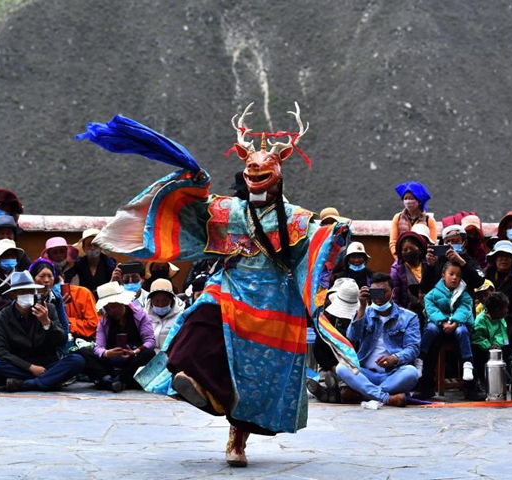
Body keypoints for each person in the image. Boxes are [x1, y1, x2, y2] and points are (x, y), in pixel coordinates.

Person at [77, 104, 356, 467]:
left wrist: (335, 232)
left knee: (255, 376)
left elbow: (316, 245)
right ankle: (192, 382)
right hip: (229, 286)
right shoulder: (229, 210)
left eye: (264, 169)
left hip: (273, 301)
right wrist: (190, 183)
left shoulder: (296, 218)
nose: (256, 172)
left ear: (278, 172)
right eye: (251, 168)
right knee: (195, 326)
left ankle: (235, 438)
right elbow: (191, 212)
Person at [0, 271, 85, 392]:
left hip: (48, 364)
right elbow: (1, 351)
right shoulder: (2, 317)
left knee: (77, 360)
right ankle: (50, 380)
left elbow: (62, 340)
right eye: (22, 291)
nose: (27, 294)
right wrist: (30, 368)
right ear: (13, 295)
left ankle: (27, 384)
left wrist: (46, 323)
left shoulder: (48, 308)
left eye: (30, 291)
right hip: (20, 365)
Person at [335, 273, 419, 407]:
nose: (379, 297)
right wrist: (362, 307)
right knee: (342, 367)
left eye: (383, 291)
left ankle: (363, 393)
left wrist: (394, 358)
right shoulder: (364, 312)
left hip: (393, 374)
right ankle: (387, 398)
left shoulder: (409, 317)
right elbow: (352, 336)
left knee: (412, 372)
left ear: (393, 292)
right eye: (375, 292)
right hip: (366, 372)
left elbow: (413, 348)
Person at [76, 282, 157, 392]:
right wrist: (107, 353)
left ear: (122, 302)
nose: (112, 312)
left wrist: (135, 352)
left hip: (132, 361)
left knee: (149, 353)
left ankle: (115, 380)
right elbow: (98, 347)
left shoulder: (141, 315)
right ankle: (111, 380)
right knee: (82, 352)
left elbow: (150, 341)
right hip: (110, 361)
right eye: (108, 309)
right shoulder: (104, 321)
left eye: (114, 307)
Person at [307, 278, 361, 403]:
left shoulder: (362, 317)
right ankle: (330, 390)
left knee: (348, 389)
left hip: (353, 366)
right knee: (327, 378)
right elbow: (318, 348)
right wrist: (332, 367)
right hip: (330, 365)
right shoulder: (325, 320)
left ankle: (330, 394)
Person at [422, 260, 475, 384]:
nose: (454, 278)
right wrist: (443, 322)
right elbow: (431, 308)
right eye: (451, 274)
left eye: (458, 275)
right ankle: (420, 359)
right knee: (430, 330)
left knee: (462, 331)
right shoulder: (434, 292)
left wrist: (455, 323)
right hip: (439, 325)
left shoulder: (464, 293)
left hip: (458, 325)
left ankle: (468, 364)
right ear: (443, 276)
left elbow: (464, 309)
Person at [421, 224, 485, 295]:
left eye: (455, 241)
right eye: (447, 242)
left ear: (464, 242)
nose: (450, 245)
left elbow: (479, 282)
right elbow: (424, 288)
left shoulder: (470, 262)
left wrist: (461, 262)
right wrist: (430, 266)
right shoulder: (437, 261)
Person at [29, 258, 71, 354]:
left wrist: (61, 352)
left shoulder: (57, 298)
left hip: (53, 341)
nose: (46, 280)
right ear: (33, 278)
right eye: (42, 276)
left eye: (50, 276)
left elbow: (64, 327)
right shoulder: (26, 297)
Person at [471, 291, 510, 393]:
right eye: (504, 308)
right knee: (478, 354)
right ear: (497, 310)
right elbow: (477, 337)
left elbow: (502, 335)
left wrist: (497, 345)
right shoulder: (481, 320)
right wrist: (488, 346)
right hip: (483, 349)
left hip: (497, 348)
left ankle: (503, 380)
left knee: (507, 350)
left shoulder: (501, 320)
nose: (507, 310)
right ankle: (481, 380)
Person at [389, 181, 436, 258]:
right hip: (402, 258)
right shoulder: (397, 217)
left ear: (419, 201)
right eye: (405, 198)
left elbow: (432, 243)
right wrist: (398, 259)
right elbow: (393, 242)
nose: (408, 201)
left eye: (411, 198)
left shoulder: (429, 220)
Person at [65, 229, 117, 299]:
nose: (92, 248)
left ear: (100, 247)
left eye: (95, 245)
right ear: (83, 248)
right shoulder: (77, 265)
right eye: (89, 245)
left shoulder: (110, 264)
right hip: (83, 302)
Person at [390, 230, 427, 310]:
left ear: (420, 249)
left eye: (412, 248)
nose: (409, 251)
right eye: (405, 250)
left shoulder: (428, 263)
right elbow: (395, 298)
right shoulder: (397, 270)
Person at [145, 278, 184, 351]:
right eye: (156, 301)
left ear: (172, 300)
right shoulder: (144, 316)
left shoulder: (181, 317)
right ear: (150, 301)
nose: (160, 304)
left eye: (165, 300)